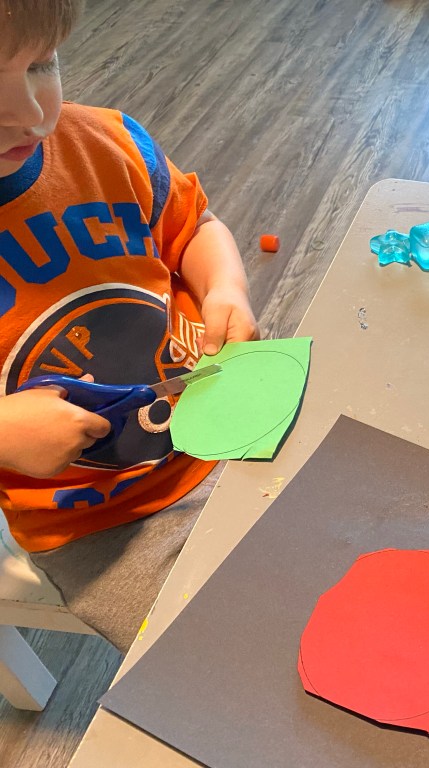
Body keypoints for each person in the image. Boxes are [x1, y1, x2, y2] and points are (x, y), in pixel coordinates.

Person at [0, 0, 260, 652]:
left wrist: (224, 285)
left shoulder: (105, 144)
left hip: (231, 416)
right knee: (223, 660)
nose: (31, 114)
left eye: (41, 64)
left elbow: (194, 228)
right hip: (105, 525)